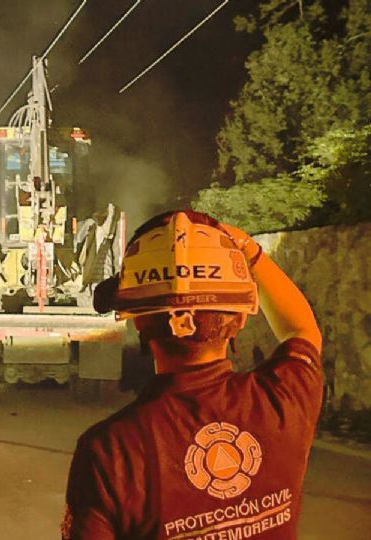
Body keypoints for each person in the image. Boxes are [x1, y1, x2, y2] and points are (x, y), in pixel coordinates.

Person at [61, 211, 323, 539]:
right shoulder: (285, 400)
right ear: (241, 318)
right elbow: (302, 329)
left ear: (138, 321)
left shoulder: (109, 451)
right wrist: (246, 247)